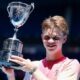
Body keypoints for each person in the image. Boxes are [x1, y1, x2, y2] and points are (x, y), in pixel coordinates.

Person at [2, 15, 80, 80]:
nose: (50, 41)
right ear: (42, 38)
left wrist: (33, 70)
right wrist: (11, 75)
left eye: (55, 38)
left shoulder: (71, 64)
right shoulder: (33, 65)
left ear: (64, 39)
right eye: (47, 37)